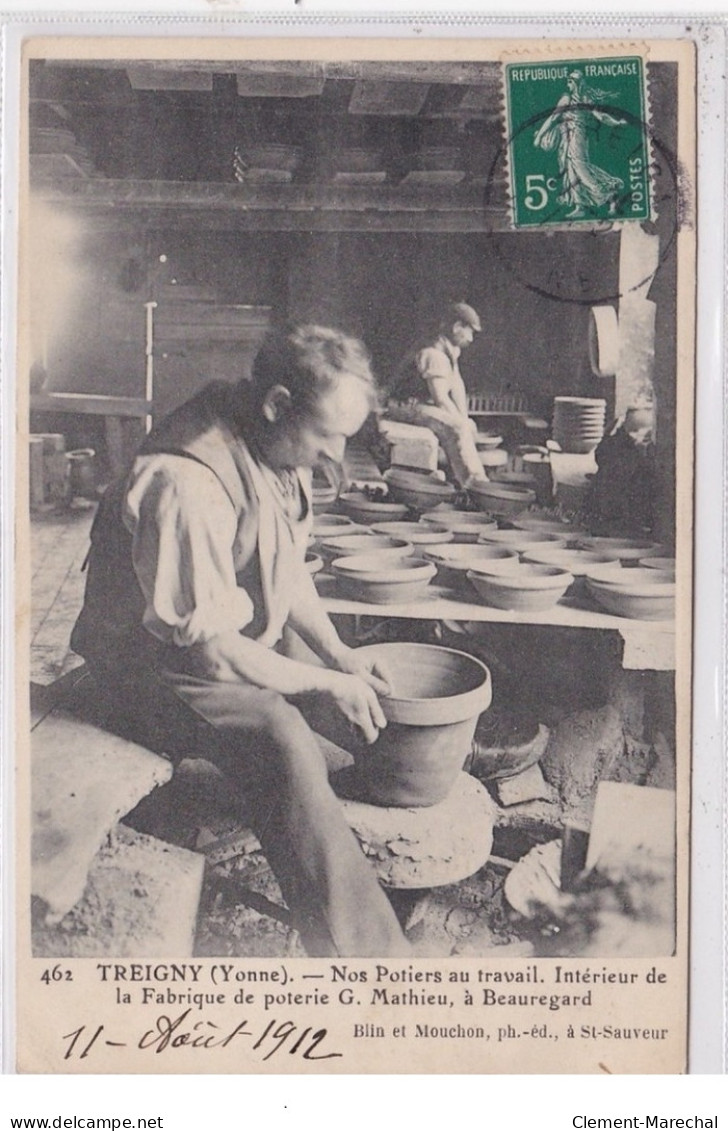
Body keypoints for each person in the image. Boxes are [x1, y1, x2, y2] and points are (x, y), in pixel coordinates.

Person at [70, 324, 411, 958]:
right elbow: (213, 651)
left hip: (210, 641)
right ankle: (372, 967)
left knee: (325, 675)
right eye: (327, 436)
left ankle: (322, 820)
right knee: (277, 731)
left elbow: (288, 569)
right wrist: (320, 682)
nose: (337, 454)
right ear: (278, 404)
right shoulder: (185, 479)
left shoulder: (275, 442)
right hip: (144, 670)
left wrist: (339, 655)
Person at [386, 301, 488, 488]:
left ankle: (468, 481)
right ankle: (475, 485)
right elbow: (441, 399)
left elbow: (456, 385)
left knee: (462, 424)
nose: (471, 338)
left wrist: (465, 418)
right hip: (403, 405)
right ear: (457, 327)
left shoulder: (450, 349)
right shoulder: (433, 353)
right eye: (470, 331)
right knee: (456, 428)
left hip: (421, 403)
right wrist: (461, 423)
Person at [533, 70, 626, 219]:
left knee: (581, 169)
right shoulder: (567, 99)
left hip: (578, 137)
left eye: (571, 81)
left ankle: (610, 196)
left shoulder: (584, 98)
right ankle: (580, 206)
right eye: (568, 80)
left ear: (578, 83)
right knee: (571, 171)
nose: (568, 83)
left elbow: (600, 116)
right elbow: (553, 118)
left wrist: (616, 123)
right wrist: (541, 136)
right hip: (569, 137)